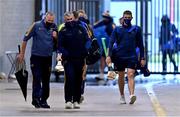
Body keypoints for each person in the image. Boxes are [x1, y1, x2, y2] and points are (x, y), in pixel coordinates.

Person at [17, 11, 58, 108]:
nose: (50, 22)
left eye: (52, 21)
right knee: (37, 78)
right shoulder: (36, 25)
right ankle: (36, 99)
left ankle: (44, 100)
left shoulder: (54, 27)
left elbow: (58, 43)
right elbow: (25, 39)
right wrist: (22, 54)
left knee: (46, 80)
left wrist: (56, 37)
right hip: (36, 57)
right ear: (45, 18)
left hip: (48, 58)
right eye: (48, 20)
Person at [106, 10, 145, 104]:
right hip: (119, 56)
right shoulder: (117, 29)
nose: (127, 19)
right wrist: (109, 56)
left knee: (131, 74)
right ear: (123, 18)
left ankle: (132, 95)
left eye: (129, 17)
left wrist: (142, 57)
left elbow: (141, 44)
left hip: (132, 56)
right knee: (121, 76)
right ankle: (122, 96)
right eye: (125, 17)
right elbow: (111, 43)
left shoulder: (136, 29)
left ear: (131, 18)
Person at [57, 11, 90, 109]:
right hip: (68, 59)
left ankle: (76, 100)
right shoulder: (62, 31)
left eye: (71, 19)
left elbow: (88, 40)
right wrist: (65, 53)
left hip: (80, 58)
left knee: (78, 79)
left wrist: (86, 49)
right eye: (67, 20)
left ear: (74, 18)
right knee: (70, 78)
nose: (70, 21)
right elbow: (59, 46)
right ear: (65, 20)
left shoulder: (81, 28)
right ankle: (68, 100)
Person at [93, 10, 115, 80]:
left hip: (110, 45)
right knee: (102, 59)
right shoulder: (101, 23)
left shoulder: (112, 24)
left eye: (106, 17)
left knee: (109, 59)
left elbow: (114, 35)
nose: (104, 18)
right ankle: (101, 74)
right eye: (103, 17)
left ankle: (111, 73)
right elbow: (94, 27)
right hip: (103, 44)